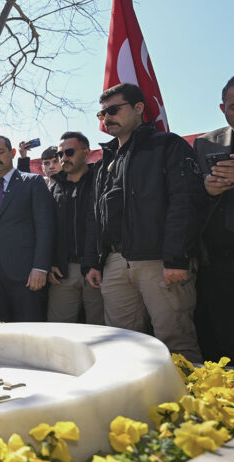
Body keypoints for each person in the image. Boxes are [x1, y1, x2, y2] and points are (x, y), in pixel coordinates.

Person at [85, 83, 206, 362]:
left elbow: (185, 202)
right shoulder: (106, 160)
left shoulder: (168, 145)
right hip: (114, 264)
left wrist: (176, 258)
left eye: (113, 110)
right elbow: (97, 214)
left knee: (176, 344)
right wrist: (94, 261)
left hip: (159, 262)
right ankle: (130, 407)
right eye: (102, 113)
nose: (107, 118)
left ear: (139, 108)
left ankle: (187, 406)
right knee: (120, 347)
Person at [193, 71, 234, 367]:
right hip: (218, 266)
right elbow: (185, 201)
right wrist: (206, 190)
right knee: (231, 350)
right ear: (223, 109)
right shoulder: (206, 144)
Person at [0, 135, 54, 322]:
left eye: (0, 152)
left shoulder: (33, 183)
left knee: (29, 333)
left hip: (26, 275)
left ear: (12, 153)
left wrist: (40, 267)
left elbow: (44, 228)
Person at [47, 132, 103, 324]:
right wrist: (51, 262)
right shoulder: (54, 188)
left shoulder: (101, 181)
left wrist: (97, 262)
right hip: (63, 272)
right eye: (60, 155)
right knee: (59, 333)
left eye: (69, 152)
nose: (64, 158)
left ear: (86, 152)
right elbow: (49, 229)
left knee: (102, 332)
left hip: (97, 269)